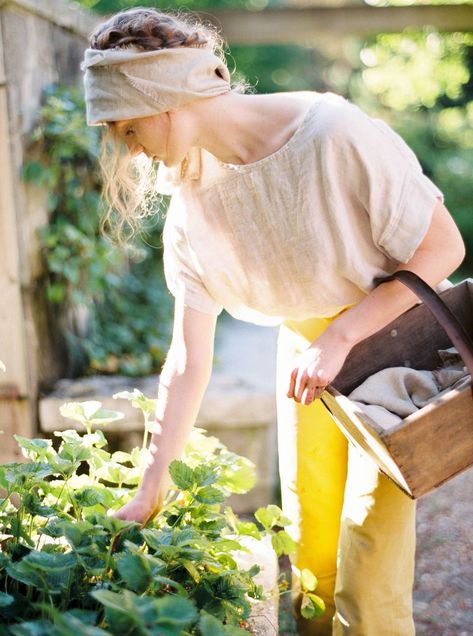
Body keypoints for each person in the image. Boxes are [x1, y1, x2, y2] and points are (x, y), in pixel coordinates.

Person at [81, 8, 465, 635]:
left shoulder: (334, 132)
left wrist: (342, 335)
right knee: (310, 558)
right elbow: (187, 357)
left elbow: (443, 248)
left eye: (126, 125)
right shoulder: (192, 200)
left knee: (368, 560)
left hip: (391, 352)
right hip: (307, 365)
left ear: (166, 95)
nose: (128, 145)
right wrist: (152, 485)